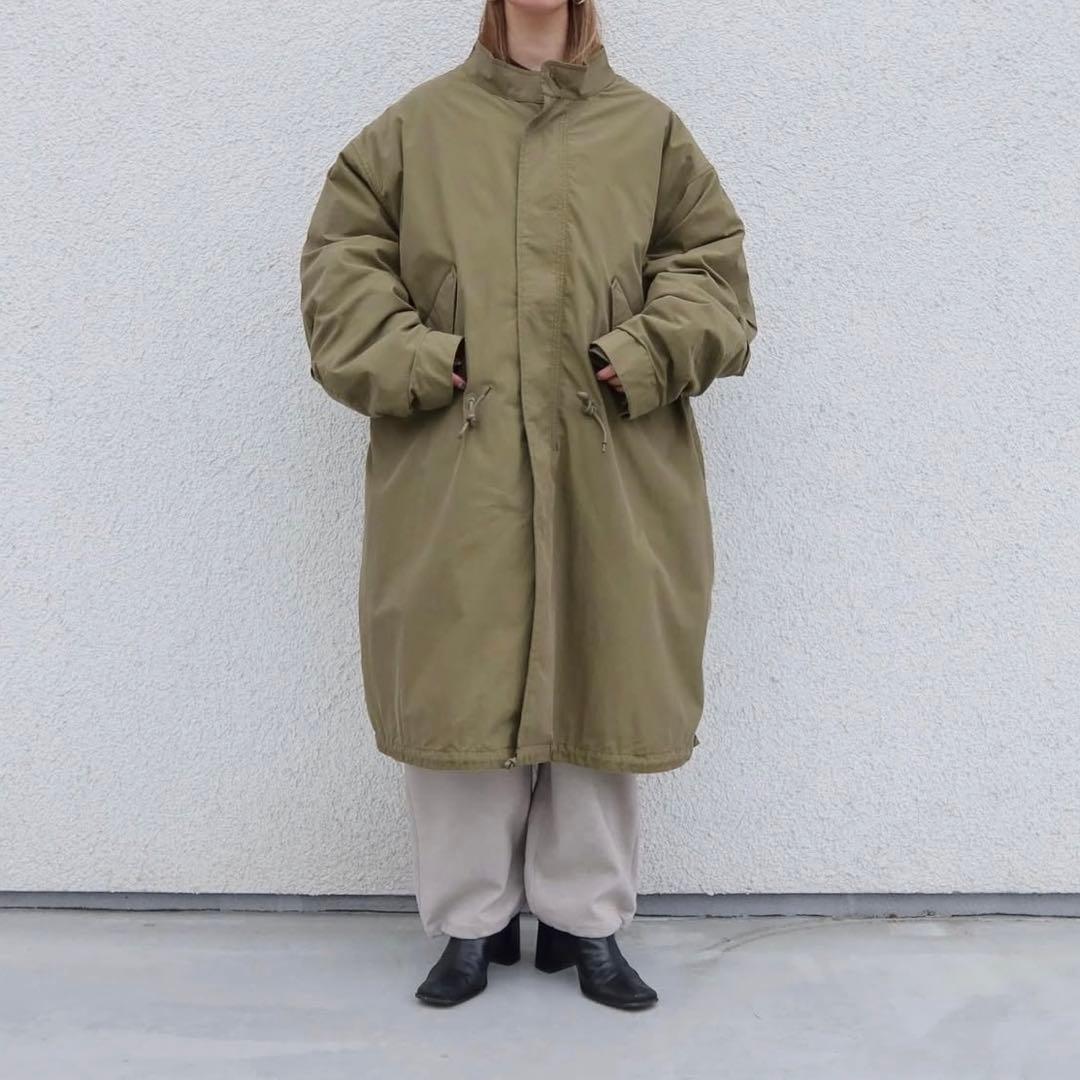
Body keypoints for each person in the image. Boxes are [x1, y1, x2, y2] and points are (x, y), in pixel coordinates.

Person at [299, 0, 757, 1011]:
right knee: (462, 684)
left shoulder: (648, 132)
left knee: (603, 674)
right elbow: (339, 268)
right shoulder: (416, 130)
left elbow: (715, 277)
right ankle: (471, 922)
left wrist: (638, 352)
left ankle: (587, 920)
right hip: (459, 469)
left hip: (613, 467)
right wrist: (429, 359)